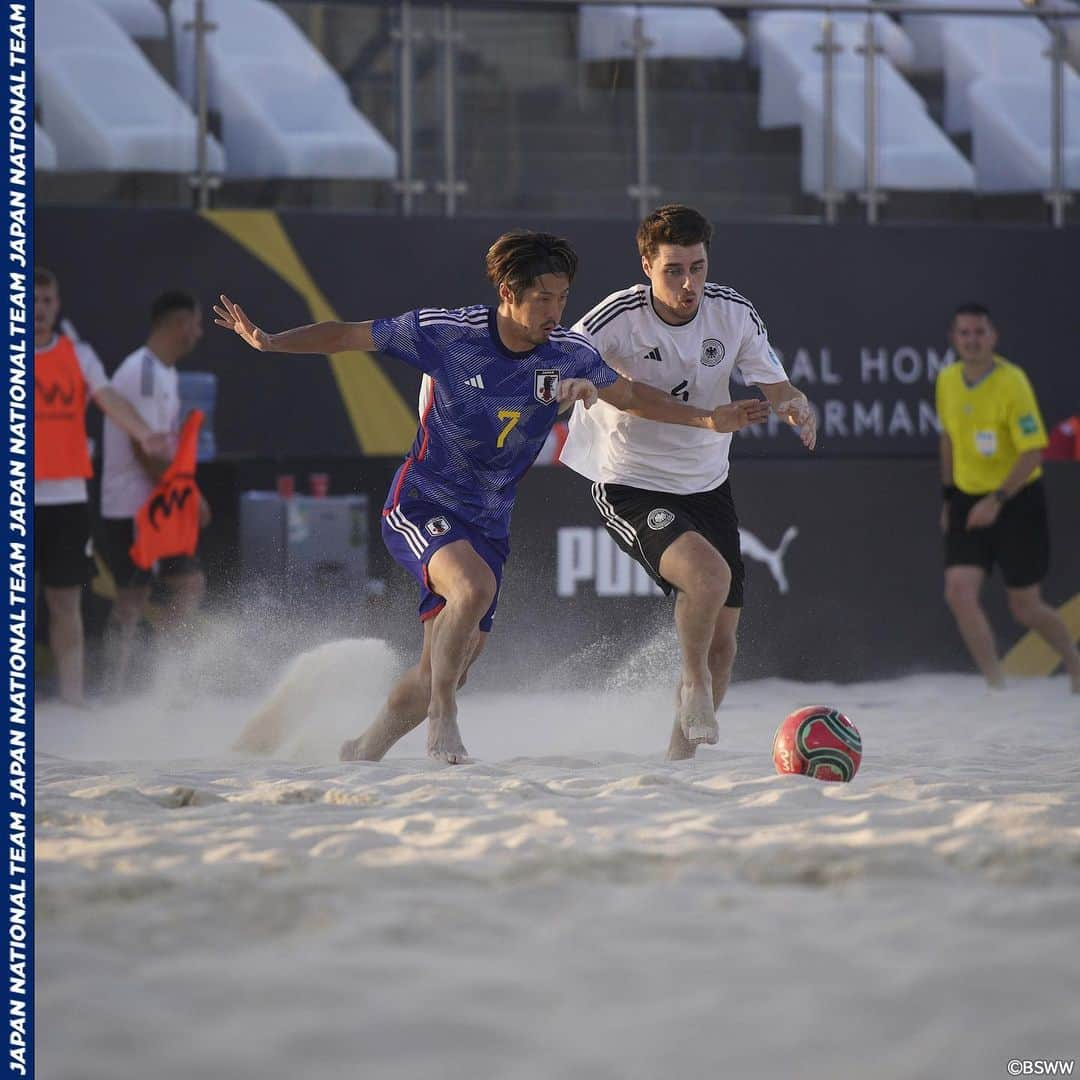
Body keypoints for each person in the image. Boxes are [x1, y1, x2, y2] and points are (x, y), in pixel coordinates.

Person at [215, 230, 769, 764]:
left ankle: (363, 749)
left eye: (563, 298)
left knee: (446, 664)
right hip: (423, 502)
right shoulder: (449, 335)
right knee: (471, 593)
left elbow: (631, 397)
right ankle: (444, 718)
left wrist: (706, 416)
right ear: (508, 293)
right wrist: (270, 341)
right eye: (543, 299)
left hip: (489, 524)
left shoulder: (569, 354)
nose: (556, 311)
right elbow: (348, 335)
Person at [559, 205, 817, 760]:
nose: (688, 283)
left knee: (724, 641)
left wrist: (795, 405)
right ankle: (691, 681)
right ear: (646, 264)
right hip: (630, 479)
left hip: (706, 481)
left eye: (697, 268)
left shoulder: (732, 312)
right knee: (706, 578)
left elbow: (774, 382)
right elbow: (561, 362)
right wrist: (573, 383)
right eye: (673, 270)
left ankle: (680, 763)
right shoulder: (617, 317)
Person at [34, 267, 168, 706]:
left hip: (67, 495)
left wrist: (144, 432)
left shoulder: (79, 354)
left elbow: (109, 399)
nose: (38, 309)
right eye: (30, 300)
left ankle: (72, 697)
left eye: (47, 301)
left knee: (64, 600)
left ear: (57, 304)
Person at [936, 302, 1080, 693]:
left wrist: (996, 500)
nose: (971, 340)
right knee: (959, 593)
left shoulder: (1012, 381)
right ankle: (996, 685)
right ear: (954, 339)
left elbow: (1033, 450)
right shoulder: (947, 379)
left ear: (993, 337)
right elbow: (947, 437)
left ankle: (1072, 659)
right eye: (964, 333)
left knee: (1025, 607)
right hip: (967, 496)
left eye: (979, 332)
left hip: (1016, 498)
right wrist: (950, 498)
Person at [99, 290, 210, 696]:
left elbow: (164, 449)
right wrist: (189, 497)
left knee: (189, 584)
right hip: (131, 505)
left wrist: (186, 495)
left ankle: (162, 677)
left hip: (159, 504)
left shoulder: (165, 371)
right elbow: (141, 449)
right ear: (180, 325)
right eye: (197, 324)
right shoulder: (141, 372)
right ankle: (113, 690)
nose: (198, 333)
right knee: (131, 598)